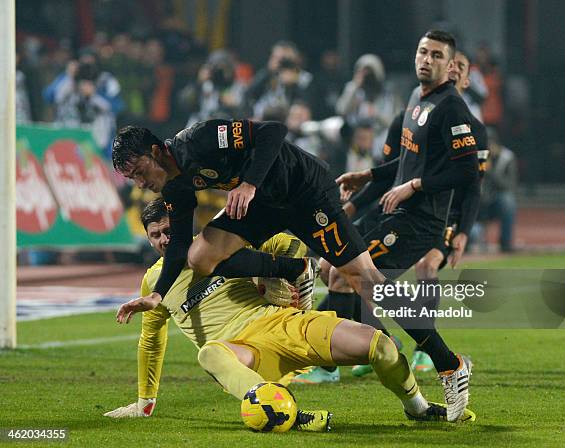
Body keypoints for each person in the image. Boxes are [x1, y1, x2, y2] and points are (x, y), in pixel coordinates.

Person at [111, 31, 472, 421]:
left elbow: (272, 132)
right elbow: (179, 247)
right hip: (263, 204)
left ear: (154, 152)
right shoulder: (175, 186)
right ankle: (294, 270)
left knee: (366, 281)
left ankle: (449, 364)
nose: (140, 183)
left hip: (303, 192)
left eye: (138, 171)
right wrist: (158, 294)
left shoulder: (198, 141)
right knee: (201, 257)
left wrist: (248, 182)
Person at [103, 198, 476, 428]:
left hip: (284, 323)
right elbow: (151, 342)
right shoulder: (154, 282)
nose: (165, 239)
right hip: (244, 351)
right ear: (149, 239)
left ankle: (418, 408)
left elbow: (285, 240)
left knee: (380, 346)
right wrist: (144, 402)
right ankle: (280, 409)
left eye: (169, 230)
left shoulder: (215, 247)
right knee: (209, 353)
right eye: (156, 235)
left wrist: (289, 271)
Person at [299, 48, 487, 381]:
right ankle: (384, 346)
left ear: (466, 77)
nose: (452, 71)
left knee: (413, 270)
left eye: (458, 67)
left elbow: (471, 183)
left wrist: (461, 230)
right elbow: (396, 169)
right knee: (344, 273)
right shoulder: (413, 112)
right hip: (392, 209)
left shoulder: (468, 126)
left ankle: (409, 354)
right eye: (448, 64)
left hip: (434, 218)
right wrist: (362, 191)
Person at [476, 128, 517, 253]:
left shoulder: (507, 157)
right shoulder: (475, 155)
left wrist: (491, 171)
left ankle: (505, 243)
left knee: (508, 200)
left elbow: (510, 185)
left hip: (495, 203)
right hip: (476, 204)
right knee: (473, 234)